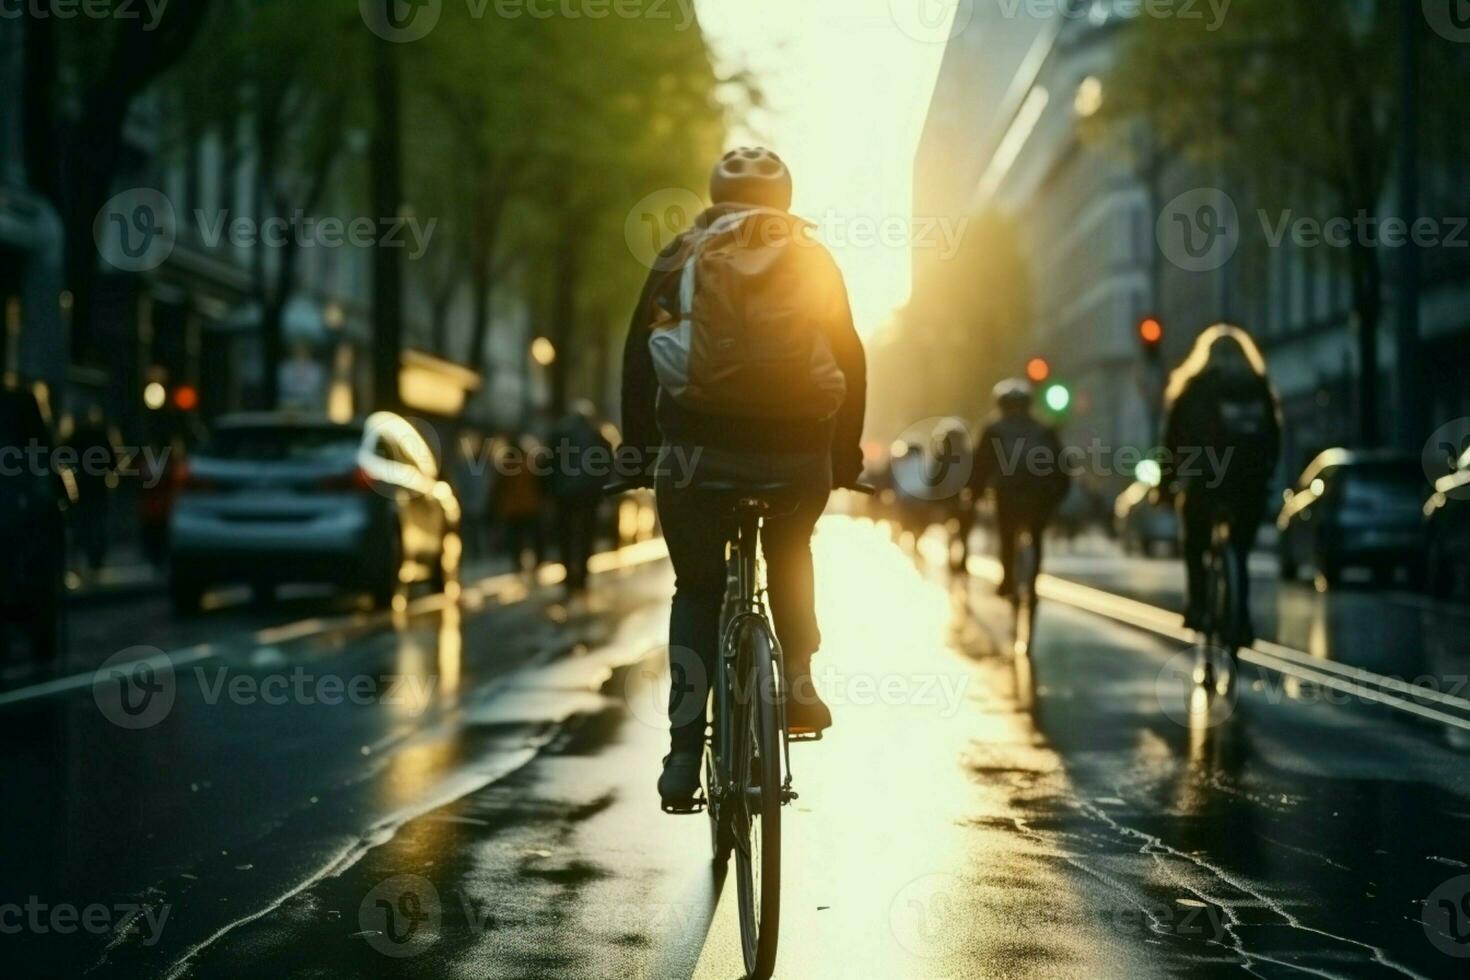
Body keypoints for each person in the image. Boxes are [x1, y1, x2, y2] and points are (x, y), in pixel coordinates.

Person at [621, 146, 867, 806]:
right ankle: (800, 682)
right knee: (791, 548)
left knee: (697, 590)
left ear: (714, 192)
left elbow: (637, 356)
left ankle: (681, 754)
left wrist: (636, 449)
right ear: (785, 195)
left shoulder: (681, 252)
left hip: (697, 455)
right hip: (793, 454)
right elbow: (850, 353)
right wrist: (844, 454)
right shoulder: (813, 257)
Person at [1160, 324, 1281, 649]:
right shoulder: (1257, 386)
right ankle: (1241, 621)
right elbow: (1274, 437)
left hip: (1205, 479)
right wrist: (1265, 475)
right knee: (1239, 553)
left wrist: (1165, 484)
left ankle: (1197, 606)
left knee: (1194, 544)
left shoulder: (1192, 387)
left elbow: (1172, 443)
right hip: (1248, 484)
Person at [971, 379, 1070, 597]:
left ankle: (1007, 581)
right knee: (1036, 535)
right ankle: (1033, 583)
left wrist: (974, 493)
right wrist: (1058, 494)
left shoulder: (992, 429)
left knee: (1007, 536)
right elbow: (1062, 465)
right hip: (1039, 494)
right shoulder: (1043, 429)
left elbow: (980, 466)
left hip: (1007, 492)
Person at [545, 401, 613, 595]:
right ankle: (582, 576)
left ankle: (569, 575)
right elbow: (606, 463)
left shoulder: (558, 433)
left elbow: (548, 463)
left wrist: (549, 490)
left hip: (564, 492)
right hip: (589, 492)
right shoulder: (597, 434)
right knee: (586, 534)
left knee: (565, 534)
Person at [487, 435, 545, 573]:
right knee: (533, 536)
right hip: (530, 506)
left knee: (516, 540)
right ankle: (537, 561)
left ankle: (518, 564)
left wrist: (497, 505)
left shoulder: (505, 465)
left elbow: (497, 488)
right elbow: (540, 483)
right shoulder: (529, 463)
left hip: (512, 508)